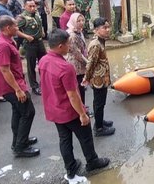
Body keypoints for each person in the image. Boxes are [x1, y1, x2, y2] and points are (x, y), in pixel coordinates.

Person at [39, 29, 110, 183]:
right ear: (60, 46)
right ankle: (92, 161)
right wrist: (82, 114)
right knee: (85, 137)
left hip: (54, 109)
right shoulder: (66, 67)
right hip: (69, 111)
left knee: (64, 139)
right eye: (67, 44)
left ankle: (70, 167)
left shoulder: (43, 60)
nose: (70, 47)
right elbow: (72, 95)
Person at [0, 15, 39, 157]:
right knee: (28, 112)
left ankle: (19, 140)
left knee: (18, 112)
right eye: (15, 26)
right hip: (11, 86)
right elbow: (5, 70)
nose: (17, 28)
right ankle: (20, 146)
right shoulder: (2, 45)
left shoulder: (7, 40)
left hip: (15, 82)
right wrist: (18, 90)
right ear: (7, 28)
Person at [82, 17, 115, 136]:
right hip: (98, 79)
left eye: (108, 27)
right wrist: (86, 78)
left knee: (101, 103)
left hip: (102, 78)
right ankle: (99, 129)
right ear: (96, 30)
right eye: (104, 28)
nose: (107, 30)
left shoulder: (101, 40)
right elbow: (91, 63)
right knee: (99, 103)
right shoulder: (95, 44)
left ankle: (100, 122)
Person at [18, 0, 46, 96]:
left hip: (39, 42)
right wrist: (26, 36)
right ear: (25, 6)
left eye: (34, 6)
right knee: (31, 66)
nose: (33, 8)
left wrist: (42, 31)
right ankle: (35, 86)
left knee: (44, 63)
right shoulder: (22, 18)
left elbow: (39, 23)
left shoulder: (37, 14)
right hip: (30, 44)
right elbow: (15, 30)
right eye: (30, 6)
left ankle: (45, 82)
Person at [66, 13, 88, 106]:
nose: (81, 23)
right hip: (76, 66)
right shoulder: (72, 35)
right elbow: (77, 53)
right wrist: (88, 62)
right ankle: (82, 109)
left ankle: (82, 105)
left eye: (82, 20)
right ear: (73, 22)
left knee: (81, 88)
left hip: (80, 64)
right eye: (78, 21)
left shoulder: (78, 31)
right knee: (79, 88)